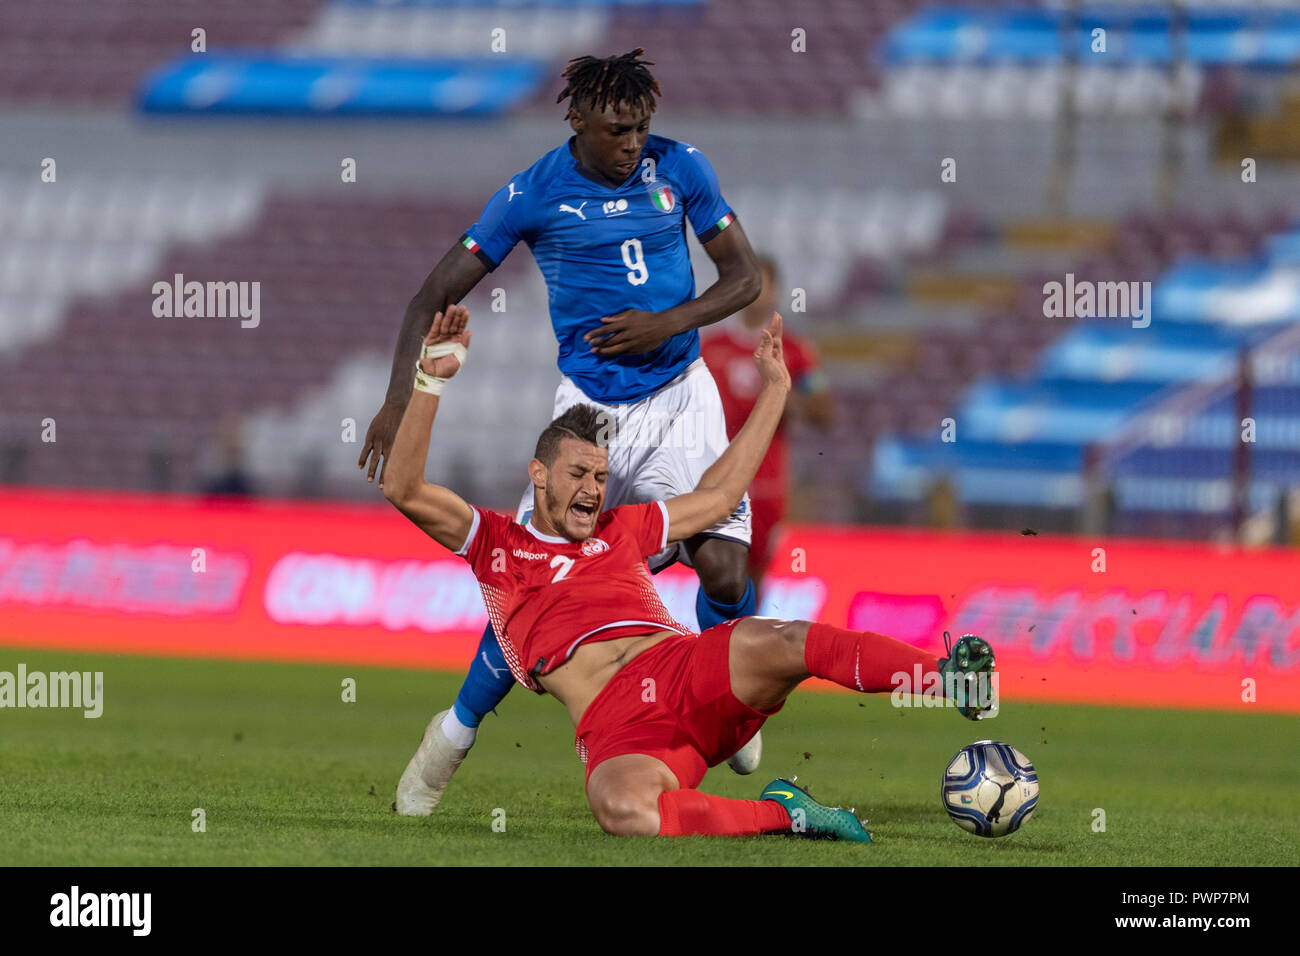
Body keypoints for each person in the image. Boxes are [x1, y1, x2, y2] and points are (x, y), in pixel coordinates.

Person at [382, 304, 995, 839]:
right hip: (618, 727)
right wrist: (428, 383)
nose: (594, 491)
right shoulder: (497, 543)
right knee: (623, 810)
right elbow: (404, 487)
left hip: (685, 672)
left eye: (600, 477)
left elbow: (719, 496)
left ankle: (948, 679)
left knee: (781, 638)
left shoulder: (622, 527)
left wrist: (776, 391)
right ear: (537, 474)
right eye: (577, 476)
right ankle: (791, 815)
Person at [359, 50, 770, 813]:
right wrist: (392, 402)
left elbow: (743, 279)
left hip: (683, 394)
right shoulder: (532, 194)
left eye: (642, 126)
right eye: (618, 129)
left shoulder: (682, 167)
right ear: (577, 121)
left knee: (723, 570)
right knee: (533, 579)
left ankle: (730, 708)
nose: (633, 142)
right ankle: (452, 735)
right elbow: (430, 295)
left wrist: (668, 324)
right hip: (590, 410)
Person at [700, 255, 831, 592]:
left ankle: (747, 635)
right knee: (717, 570)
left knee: (755, 573)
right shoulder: (708, 348)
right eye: (748, 280)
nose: (755, 291)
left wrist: (780, 390)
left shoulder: (796, 352)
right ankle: (717, 637)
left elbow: (824, 413)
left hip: (767, 480)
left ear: (776, 289)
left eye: (763, 283)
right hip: (716, 475)